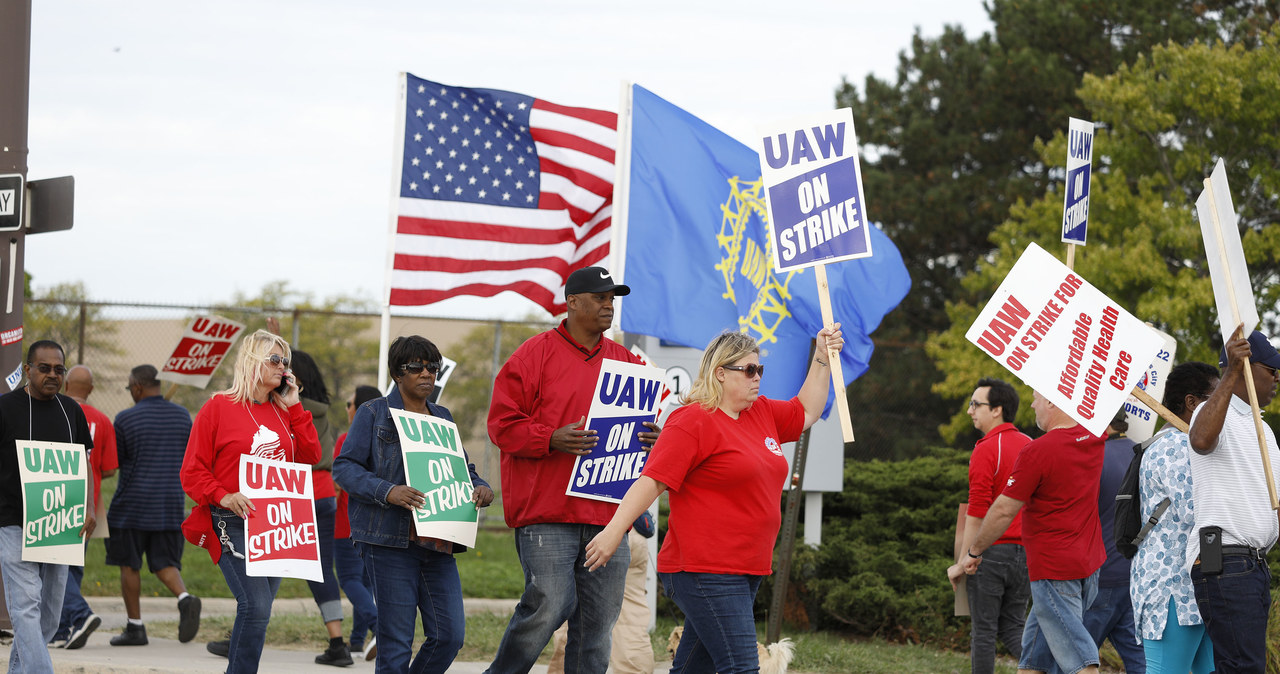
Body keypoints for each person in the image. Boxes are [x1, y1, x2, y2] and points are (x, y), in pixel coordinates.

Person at [585, 326, 845, 674]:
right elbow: (652, 481)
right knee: (740, 665)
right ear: (720, 372)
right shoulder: (692, 420)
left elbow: (807, 411)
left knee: (694, 668)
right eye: (749, 370)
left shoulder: (762, 413)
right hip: (703, 569)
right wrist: (614, 530)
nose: (757, 378)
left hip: (747, 568)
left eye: (760, 370)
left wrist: (821, 358)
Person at [484, 266, 658, 674]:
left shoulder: (625, 361)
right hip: (548, 514)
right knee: (549, 604)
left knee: (597, 627)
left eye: (612, 299)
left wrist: (650, 435)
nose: (608, 306)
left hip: (606, 517)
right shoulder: (533, 354)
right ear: (573, 302)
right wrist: (550, 438)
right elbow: (501, 425)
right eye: (599, 298)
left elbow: (636, 434)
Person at [333, 335, 494, 674]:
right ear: (397, 373)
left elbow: (464, 469)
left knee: (450, 636)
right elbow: (344, 467)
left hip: (438, 541)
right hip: (389, 542)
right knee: (395, 645)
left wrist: (479, 487)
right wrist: (388, 491)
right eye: (416, 367)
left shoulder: (443, 417)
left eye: (432, 367)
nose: (426, 374)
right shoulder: (373, 413)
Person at [180, 330, 321, 674]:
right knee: (255, 605)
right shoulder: (218, 408)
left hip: (276, 523)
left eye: (284, 361)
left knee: (261, 609)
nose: (282, 367)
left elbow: (311, 456)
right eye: (274, 359)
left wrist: (296, 407)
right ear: (252, 362)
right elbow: (192, 470)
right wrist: (222, 494)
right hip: (232, 520)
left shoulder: (283, 409)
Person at [962, 390, 1106, 674]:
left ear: (1053, 401)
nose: (1031, 404)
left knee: (1082, 661)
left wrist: (974, 551)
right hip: (1089, 566)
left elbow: (1003, 509)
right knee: (1033, 663)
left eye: (1036, 397)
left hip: (1054, 572)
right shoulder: (1094, 437)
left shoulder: (1038, 450)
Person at [1186, 326, 1280, 673]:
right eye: (1272, 370)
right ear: (1246, 368)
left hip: (1252, 564)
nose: (1277, 379)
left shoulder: (1263, 429)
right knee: (1243, 666)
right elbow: (1201, 440)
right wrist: (1230, 373)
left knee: (1243, 665)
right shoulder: (1210, 413)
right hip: (1226, 559)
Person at [0, 340, 95, 674]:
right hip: (13, 522)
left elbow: (85, 463)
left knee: (48, 616)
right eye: (44, 368)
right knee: (26, 607)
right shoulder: (5, 408)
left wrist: (90, 507)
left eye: (59, 369)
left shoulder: (72, 411)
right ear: (28, 370)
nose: (52, 374)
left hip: (60, 523)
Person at [103, 364, 200, 647]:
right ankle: (185, 598)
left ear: (136, 386)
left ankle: (135, 628)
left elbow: (116, 462)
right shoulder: (183, 417)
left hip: (131, 506)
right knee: (165, 563)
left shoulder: (125, 419)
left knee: (129, 565)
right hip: (170, 505)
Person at [1130, 362, 1217, 674]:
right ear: (1191, 402)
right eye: (1215, 397)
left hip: (1192, 585)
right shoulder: (1175, 445)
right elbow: (1196, 511)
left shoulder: (1185, 442)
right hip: (1172, 588)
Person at [947, 377, 1031, 674]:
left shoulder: (986, 448)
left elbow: (977, 511)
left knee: (983, 632)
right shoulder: (1031, 445)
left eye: (976, 404)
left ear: (997, 410)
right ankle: (1053, 670)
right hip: (1026, 555)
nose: (970, 410)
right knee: (1013, 627)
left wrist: (964, 560)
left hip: (991, 552)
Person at [51, 364, 117, 650]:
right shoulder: (102, 420)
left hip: (55, 497)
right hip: (88, 503)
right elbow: (110, 468)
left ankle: (79, 616)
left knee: (53, 566)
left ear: (66, 385)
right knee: (73, 566)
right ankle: (61, 628)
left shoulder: (53, 412)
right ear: (90, 389)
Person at [1081, 411, 1145, 672]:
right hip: (1135, 573)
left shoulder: (1094, 458)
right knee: (1140, 661)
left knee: (1076, 659)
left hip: (1101, 574)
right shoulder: (1141, 454)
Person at [333, 384, 383, 661]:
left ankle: (379, 628)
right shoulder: (383, 440)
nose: (347, 409)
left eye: (349, 404)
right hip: (374, 524)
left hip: (346, 524)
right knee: (366, 583)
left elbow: (340, 480)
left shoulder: (346, 439)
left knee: (350, 580)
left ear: (360, 407)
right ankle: (356, 641)